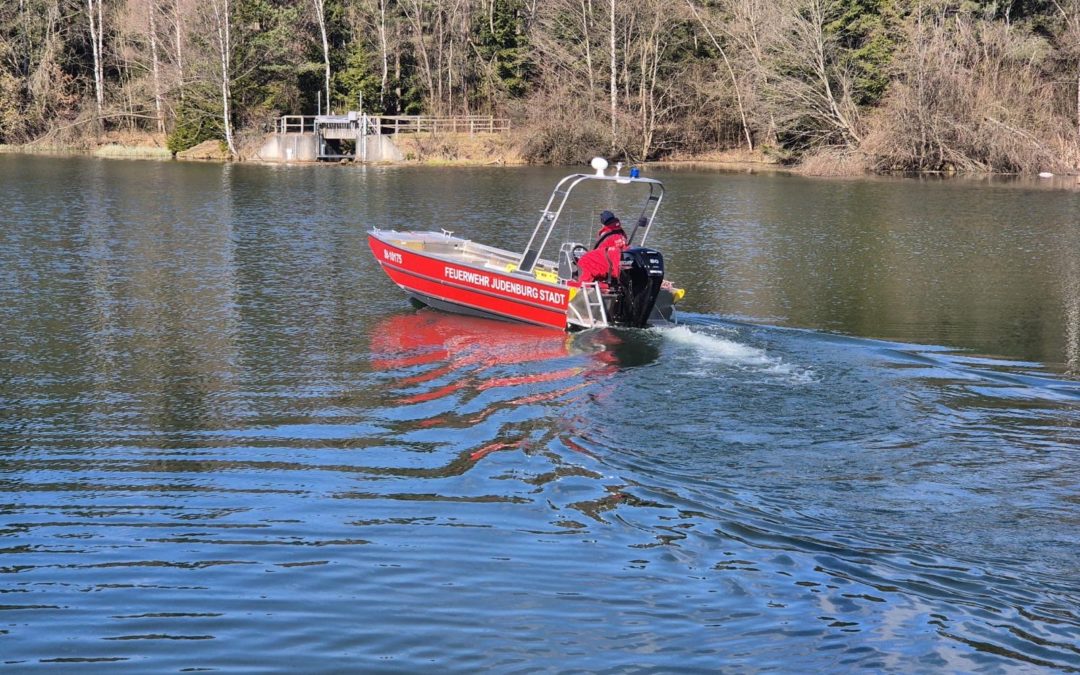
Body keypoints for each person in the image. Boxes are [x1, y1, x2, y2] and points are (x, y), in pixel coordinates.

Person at [577, 211, 628, 284]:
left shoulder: (605, 236)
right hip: (621, 262)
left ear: (603, 223)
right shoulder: (621, 232)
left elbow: (599, 253)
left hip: (611, 266)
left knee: (584, 261)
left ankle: (585, 284)